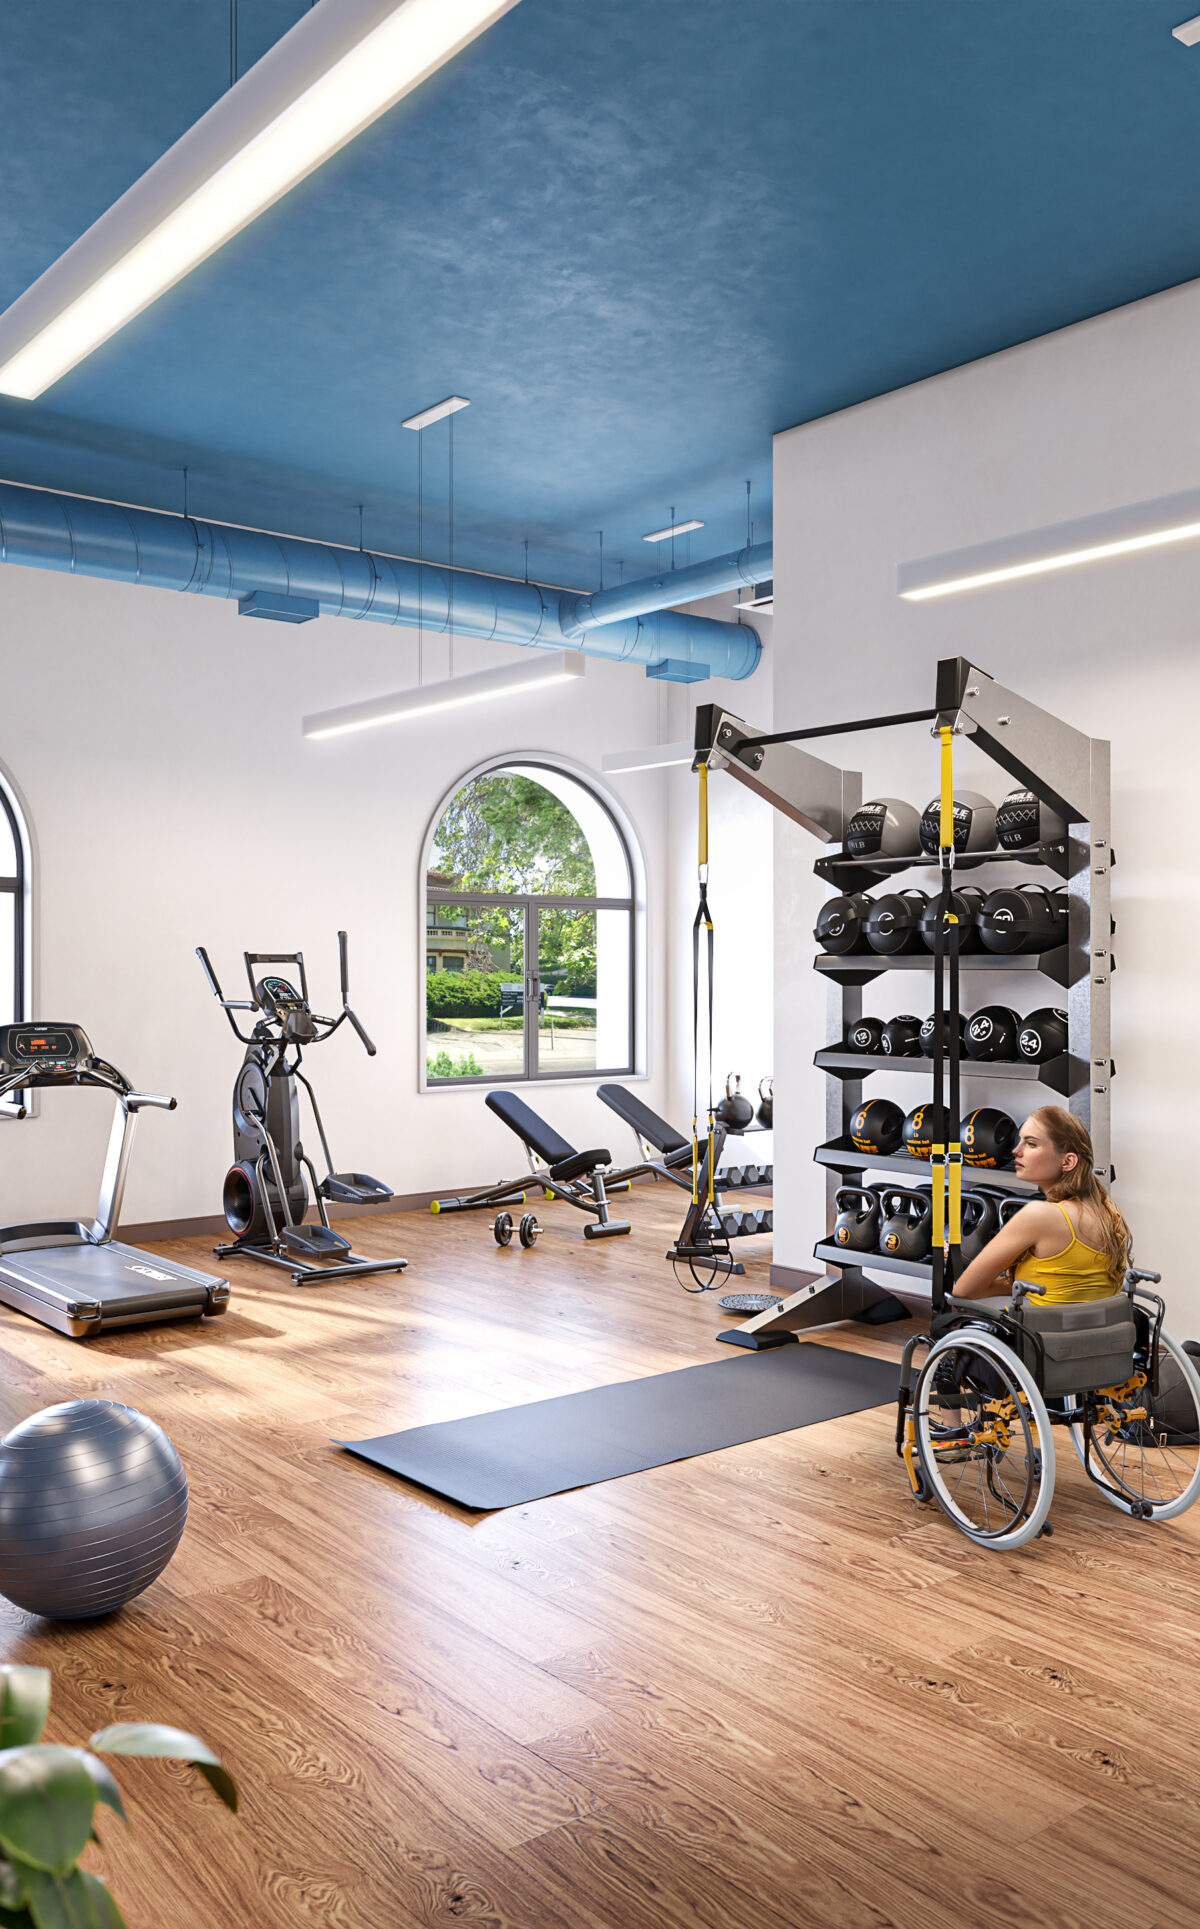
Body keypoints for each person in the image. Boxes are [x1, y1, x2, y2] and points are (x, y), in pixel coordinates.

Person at [951, 1105, 1130, 1302]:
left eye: (1031, 1144)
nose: (1016, 1151)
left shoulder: (1039, 1216)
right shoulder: (1108, 1211)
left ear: (1068, 1161)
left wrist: (1015, 1282)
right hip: (1100, 1331)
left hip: (1044, 1332)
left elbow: (964, 1290)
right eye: (1020, 1141)